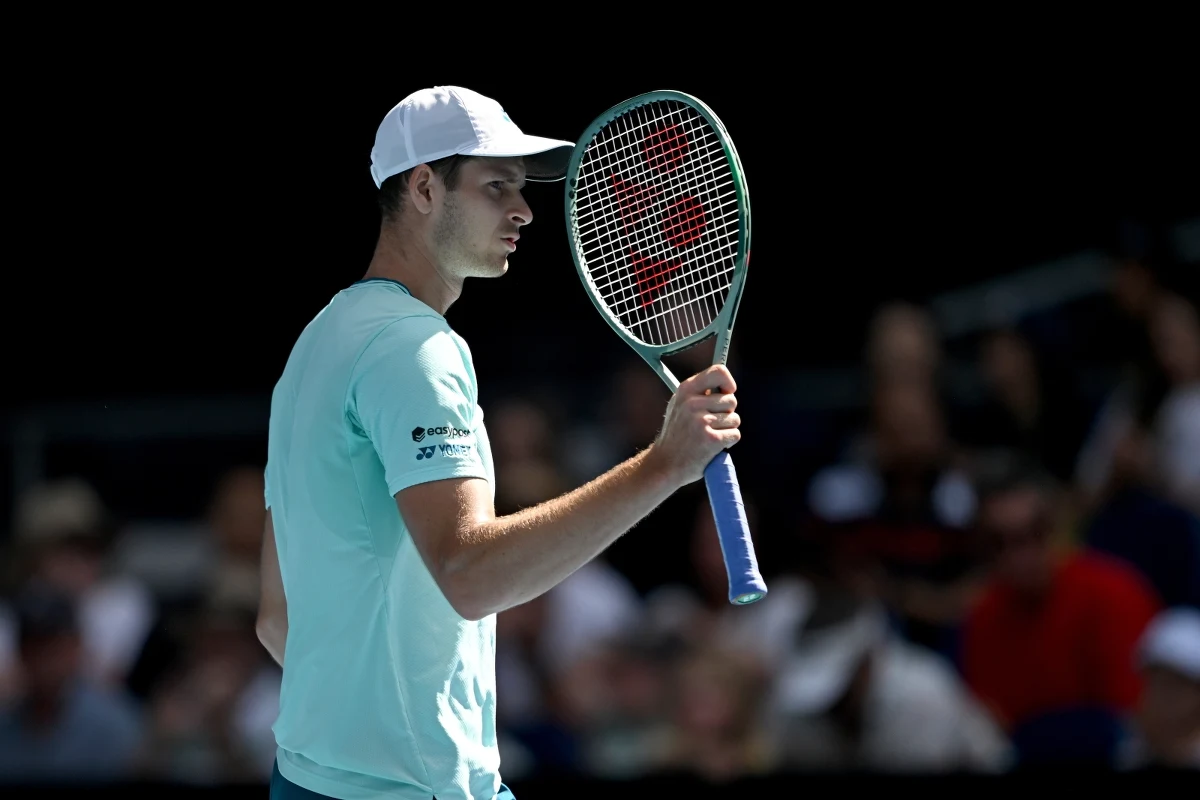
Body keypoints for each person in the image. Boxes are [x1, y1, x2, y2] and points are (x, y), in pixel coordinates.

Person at [255, 86, 744, 800]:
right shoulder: (413, 349)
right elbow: (471, 575)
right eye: (496, 188)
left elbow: (278, 617)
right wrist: (664, 464)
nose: (524, 211)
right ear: (424, 188)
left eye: (520, 188)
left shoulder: (318, 343)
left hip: (307, 777)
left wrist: (359, 723)